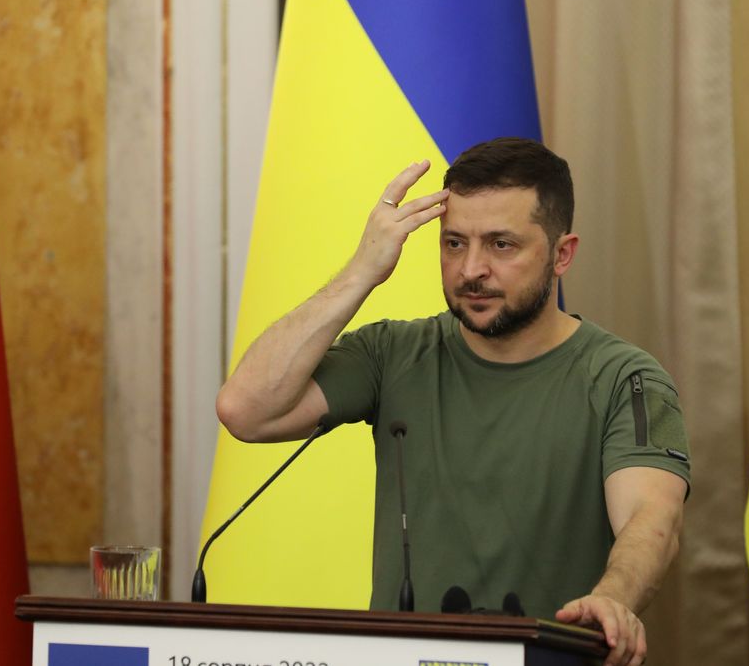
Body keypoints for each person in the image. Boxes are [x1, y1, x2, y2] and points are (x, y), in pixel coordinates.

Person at [217, 138, 689, 666]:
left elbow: (652, 519)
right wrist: (361, 272)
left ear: (562, 254)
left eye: (501, 245)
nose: (471, 270)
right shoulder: (392, 353)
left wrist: (614, 598)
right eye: (454, 244)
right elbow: (246, 409)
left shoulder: (626, 378)